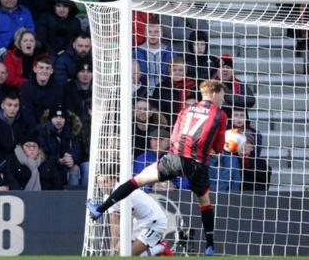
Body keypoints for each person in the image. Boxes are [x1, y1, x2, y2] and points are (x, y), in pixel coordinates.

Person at [87, 80, 228, 256]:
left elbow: (175, 134)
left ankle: (99, 209)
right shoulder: (220, 115)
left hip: (173, 158)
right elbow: (218, 148)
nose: (223, 99)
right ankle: (209, 245)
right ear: (214, 93)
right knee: (204, 202)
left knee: (136, 180)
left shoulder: (186, 110)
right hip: (196, 164)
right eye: (223, 95)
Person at [96, 174, 173, 256]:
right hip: (139, 221)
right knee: (118, 250)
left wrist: (123, 239)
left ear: (114, 180)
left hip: (155, 223)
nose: (102, 186)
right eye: (99, 183)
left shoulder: (123, 192)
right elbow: (114, 225)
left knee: (128, 255)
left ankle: (160, 247)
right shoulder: (107, 197)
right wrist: (112, 249)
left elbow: (128, 220)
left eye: (105, 182)